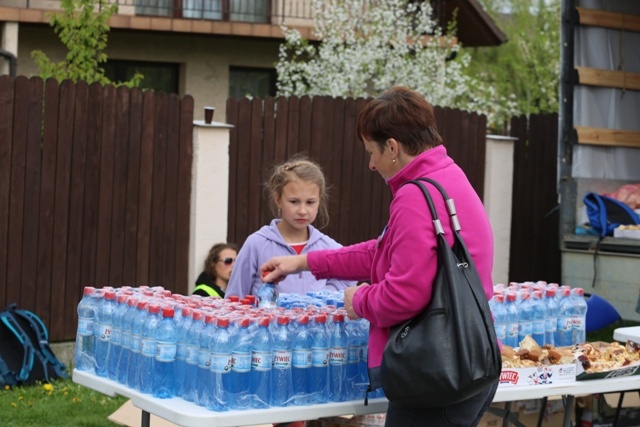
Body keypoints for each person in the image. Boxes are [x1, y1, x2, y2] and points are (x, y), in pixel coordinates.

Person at [260, 87, 498, 426]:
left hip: (437, 373)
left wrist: (359, 298)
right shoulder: (448, 176)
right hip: (470, 359)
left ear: (393, 147)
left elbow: (403, 296)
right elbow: (384, 251)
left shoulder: (415, 196)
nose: (371, 164)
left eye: (372, 152)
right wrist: (305, 261)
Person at [225, 156, 354, 299]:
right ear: (278, 200)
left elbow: (351, 274)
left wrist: (323, 297)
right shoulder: (256, 244)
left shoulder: (328, 246)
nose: (303, 211)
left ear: (319, 201)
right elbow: (234, 298)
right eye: (294, 201)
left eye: (310, 202)